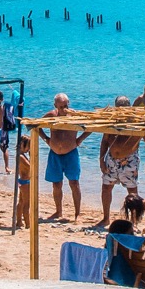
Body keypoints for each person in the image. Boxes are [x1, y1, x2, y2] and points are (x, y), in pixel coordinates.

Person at [97, 96, 143, 225]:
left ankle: (134, 221)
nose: (121, 110)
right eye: (119, 107)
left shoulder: (136, 122)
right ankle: (106, 218)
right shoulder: (112, 120)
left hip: (130, 160)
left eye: (124, 107)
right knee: (106, 187)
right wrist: (101, 159)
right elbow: (104, 141)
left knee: (132, 191)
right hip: (111, 160)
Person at [41, 93, 85, 222]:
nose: (63, 109)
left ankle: (77, 213)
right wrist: (46, 139)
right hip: (55, 153)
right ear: (55, 106)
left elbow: (91, 126)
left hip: (70, 152)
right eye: (60, 107)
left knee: (74, 183)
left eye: (65, 106)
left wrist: (79, 140)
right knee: (56, 184)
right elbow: (36, 126)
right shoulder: (51, 115)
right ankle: (58, 211)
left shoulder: (74, 116)